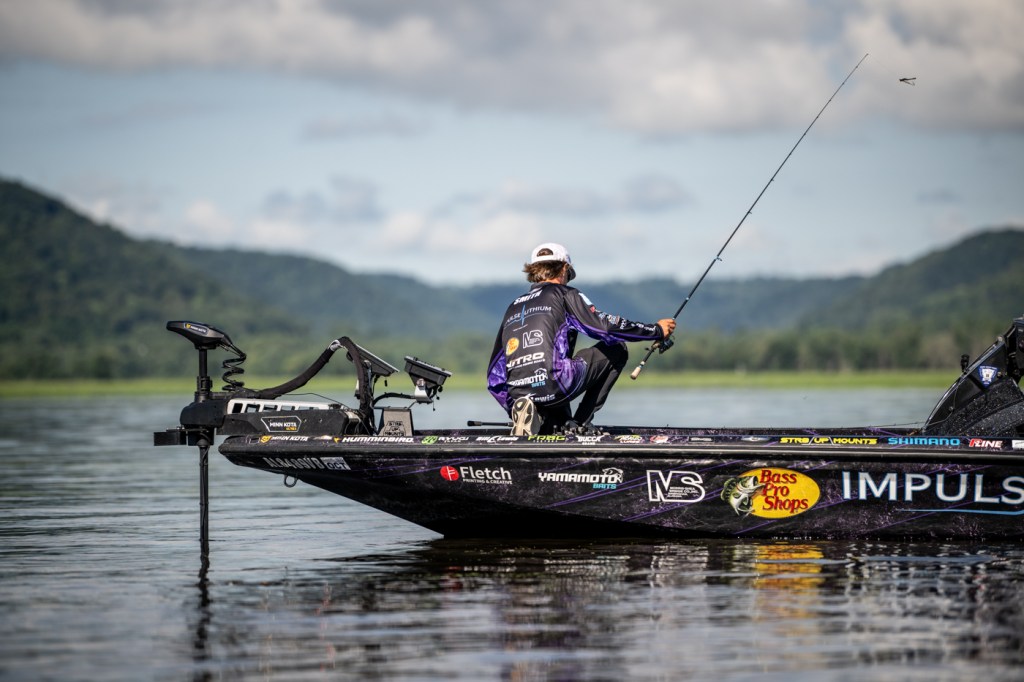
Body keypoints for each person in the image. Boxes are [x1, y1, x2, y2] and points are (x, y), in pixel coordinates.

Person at [486, 243, 676, 435]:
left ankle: (536, 417)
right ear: (564, 269)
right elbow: (605, 328)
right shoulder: (565, 294)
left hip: (520, 394)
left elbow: (494, 377)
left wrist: (512, 407)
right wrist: (655, 331)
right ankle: (580, 423)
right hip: (555, 384)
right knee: (617, 348)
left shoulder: (513, 307)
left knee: (555, 378)